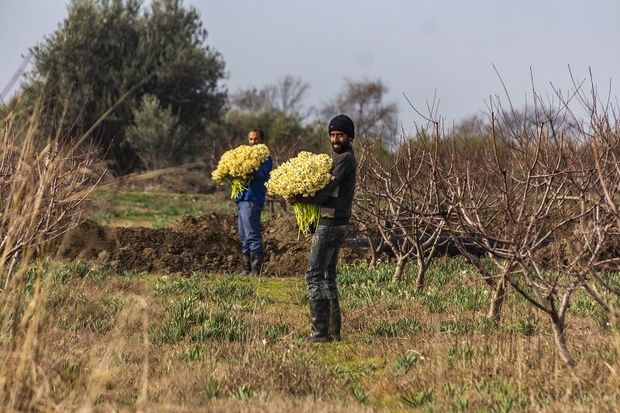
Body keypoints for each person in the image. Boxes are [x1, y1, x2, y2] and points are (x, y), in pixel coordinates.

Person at [292, 114, 357, 342]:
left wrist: (299, 197)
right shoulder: (341, 157)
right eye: (332, 135)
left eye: (340, 135)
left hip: (331, 223)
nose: (335, 138)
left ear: (349, 136)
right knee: (328, 277)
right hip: (336, 222)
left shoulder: (344, 159)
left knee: (313, 276)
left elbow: (326, 192)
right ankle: (332, 332)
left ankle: (319, 333)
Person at [237, 128, 273, 276]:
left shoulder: (265, 158)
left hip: (252, 199)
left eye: (256, 139)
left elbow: (261, 174)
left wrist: (248, 170)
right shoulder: (245, 156)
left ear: (262, 140)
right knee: (243, 237)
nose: (253, 142)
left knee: (252, 234)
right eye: (251, 139)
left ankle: (256, 271)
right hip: (241, 199)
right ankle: (246, 269)